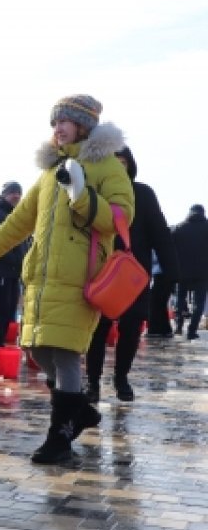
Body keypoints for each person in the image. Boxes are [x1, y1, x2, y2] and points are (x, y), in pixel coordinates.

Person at [0, 94, 132, 464]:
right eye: (54, 123)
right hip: (43, 280)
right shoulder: (48, 173)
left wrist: (81, 195)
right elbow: (19, 221)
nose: (58, 128)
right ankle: (79, 411)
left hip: (81, 278)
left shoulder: (107, 166)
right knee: (40, 350)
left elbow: (120, 218)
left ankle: (60, 437)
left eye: (64, 121)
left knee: (66, 352)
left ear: (83, 125)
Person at [85, 146, 175, 402]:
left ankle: (121, 377)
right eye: (112, 161)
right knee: (97, 330)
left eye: (122, 162)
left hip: (133, 276)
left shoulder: (143, 194)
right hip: (100, 273)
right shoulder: (94, 194)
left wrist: (172, 270)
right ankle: (92, 382)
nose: (117, 166)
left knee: (132, 328)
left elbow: (161, 233)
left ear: (130, 165)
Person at [0, 182, 26, 348]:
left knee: (9, 310)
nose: (16, 196)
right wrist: (16, 260)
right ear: (4, 194)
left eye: (18, 193)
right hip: (0, 270)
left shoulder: (15, 215)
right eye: (12, 192)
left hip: (13, 272)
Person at [172, 204, 208, 340]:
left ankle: (178, 326)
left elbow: (171, 248)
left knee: (180, 299)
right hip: (203, 273)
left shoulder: (179, 228)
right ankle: (192, 330)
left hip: (181, 271)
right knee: (199, 303)